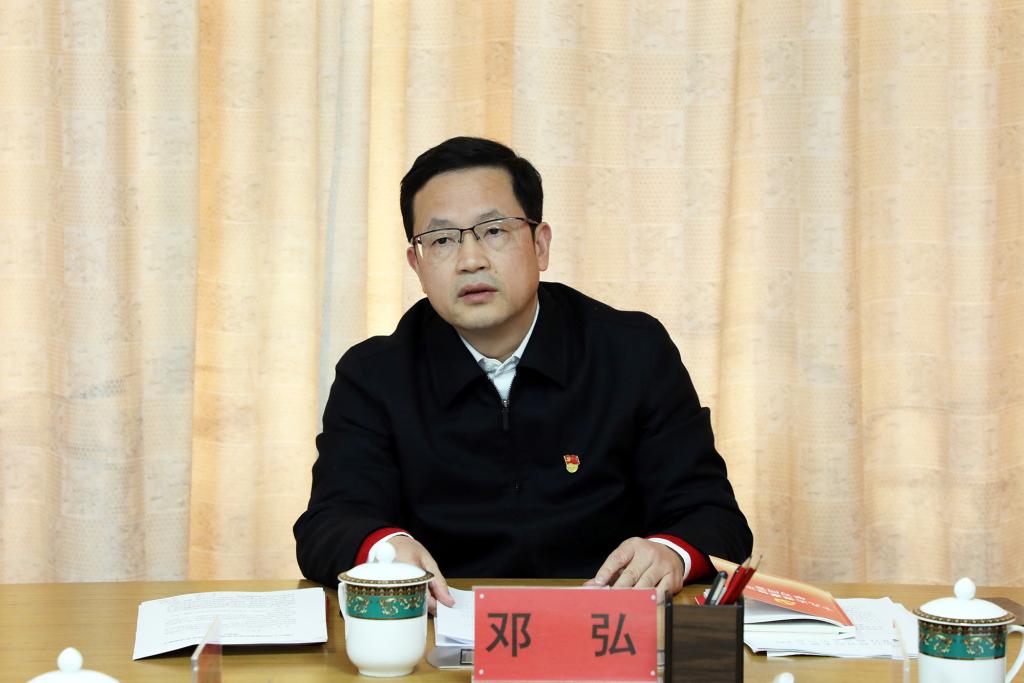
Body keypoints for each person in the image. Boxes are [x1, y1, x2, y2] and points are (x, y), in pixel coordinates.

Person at [294, 137, 752, 609]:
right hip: (441, 634)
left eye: (494, 231)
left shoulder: (633, 351)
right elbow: (328, 524)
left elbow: (714, 516)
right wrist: (385, 550)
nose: (471, 260)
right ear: (417, 263)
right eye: (442, 240)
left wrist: (670, 553)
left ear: (540, 244)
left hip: (604, 630)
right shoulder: (373, 375)